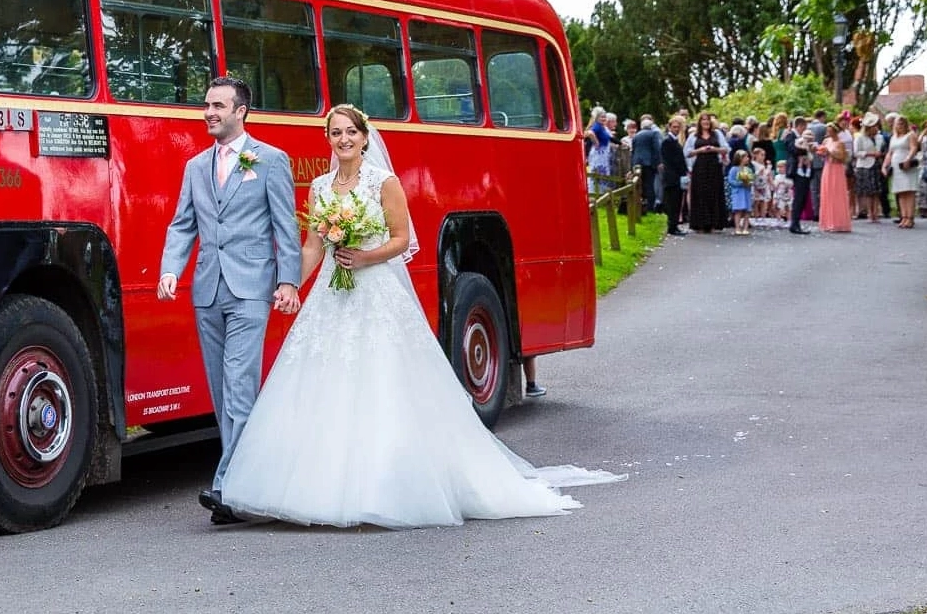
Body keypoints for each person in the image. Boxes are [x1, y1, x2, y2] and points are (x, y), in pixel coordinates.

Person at [218, 105, 622, 529]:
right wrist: (289, 285)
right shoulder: (320, 187)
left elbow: (402, 240)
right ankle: (315, 486)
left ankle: (383, 488)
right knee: (325, 380)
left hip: (375, 290)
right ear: (328, 139)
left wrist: (365, 256)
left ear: (364, 136)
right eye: (335, 133)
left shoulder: (383, 182)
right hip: (332, 296)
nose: (343, 140)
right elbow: (313, 247)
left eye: (350, 132)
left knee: (383, 383)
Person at [158, 76, 301, 525]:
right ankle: (246, 486)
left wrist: (288, 281)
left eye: (218, 105)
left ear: (241, 111)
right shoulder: (196, 167)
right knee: (223, 394)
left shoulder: (271, 161)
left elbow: (286, 226)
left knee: (240, 387)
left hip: (251, 290)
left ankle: (227, 485)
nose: (209, 112)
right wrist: (170, 269)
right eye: (206, 105)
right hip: (207, 290)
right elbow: (183, 225)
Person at [687, 113, 731, 234]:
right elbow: (687, 152)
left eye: (707, 120)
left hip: (714, 167)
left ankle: (713, 223)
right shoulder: (693, 136)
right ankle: (699, 223)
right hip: (700, 167)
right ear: (699, 122)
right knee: (700, 194)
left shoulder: (717, 134)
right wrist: (699, 150)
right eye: (703, 120)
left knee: (713, 193)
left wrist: (714, 149)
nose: (706, 122)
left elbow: (726, 148)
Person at [883, 114, 922, 228]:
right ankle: (903, 217)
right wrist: (885, 165)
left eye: (901, 123)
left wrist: (908, 159)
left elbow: (914, 148)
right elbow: (890, 153)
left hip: (907, 165)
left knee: (909, 191)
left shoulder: (910, 135)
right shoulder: (893, 137)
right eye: (897, 124)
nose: (899, 126)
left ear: (906, 124)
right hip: (896, 166)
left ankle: (910, 218)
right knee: (900, 192)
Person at [819, 125, 853, 233]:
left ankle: (838, 222)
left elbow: (842, 158)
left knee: (836, 194)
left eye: (830, 131)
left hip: (837, 169)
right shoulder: (826, 141)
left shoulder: (840, 143)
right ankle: (827, 222)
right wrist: (821, 152)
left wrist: (830, 153)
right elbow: (822, 155)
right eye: (827, 131)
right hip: (827, 167)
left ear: (835, 132)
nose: (828, 133)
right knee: (827, 194)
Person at [660, 115, 688, 236]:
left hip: (677, 176)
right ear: (669, 127)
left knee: (677, 202)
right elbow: (670, 160)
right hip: (672, 177)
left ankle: (674, 225)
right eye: (674, 127)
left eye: (678, 127)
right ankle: (672, 226)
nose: (676, 129)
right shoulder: (667, 141)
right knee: (672, 202)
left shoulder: (675, 141)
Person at [853, 113, 883, 223]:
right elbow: (856, 152)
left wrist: (879, 154)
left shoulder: (879, 137)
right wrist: (870, 154)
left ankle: (876, 212)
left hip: (875, 164)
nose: (876, 128)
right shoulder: (860, 138)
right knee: (868, 191)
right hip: (865, 166)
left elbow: (881, 149)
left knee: (876, 190)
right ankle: (870, 213)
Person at [631, 114, 662, 213]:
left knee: (639, 184)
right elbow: (657, 149)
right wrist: (658, 162)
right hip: (649, 163)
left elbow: (633, 150)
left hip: (637, 162)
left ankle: (640, 205)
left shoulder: (636, 135)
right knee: (650, 185)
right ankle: (650, 207)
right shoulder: (653, 134)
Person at [788, 128, 815, 235]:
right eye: (807, 137)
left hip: (806, 172)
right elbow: (795, 151)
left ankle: (796, 223)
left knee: (803, 198)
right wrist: (807, 148)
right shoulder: (796, 141)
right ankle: (794, 224)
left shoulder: (807, 147)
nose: (809, 139)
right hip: (799, 172)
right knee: (799, 198)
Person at [726, 148, 754, 235]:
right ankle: (737, 227)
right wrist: (740, 183)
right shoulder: (734, 169)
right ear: (740, 158)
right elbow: (730, 180)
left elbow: (752, 179)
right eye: (746, 157)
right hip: (738, 192)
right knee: (738, 211)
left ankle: (745, 228)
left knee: (747, 211)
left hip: (747, 192)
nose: (747, 159)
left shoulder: (748, 170)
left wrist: (749, 183)